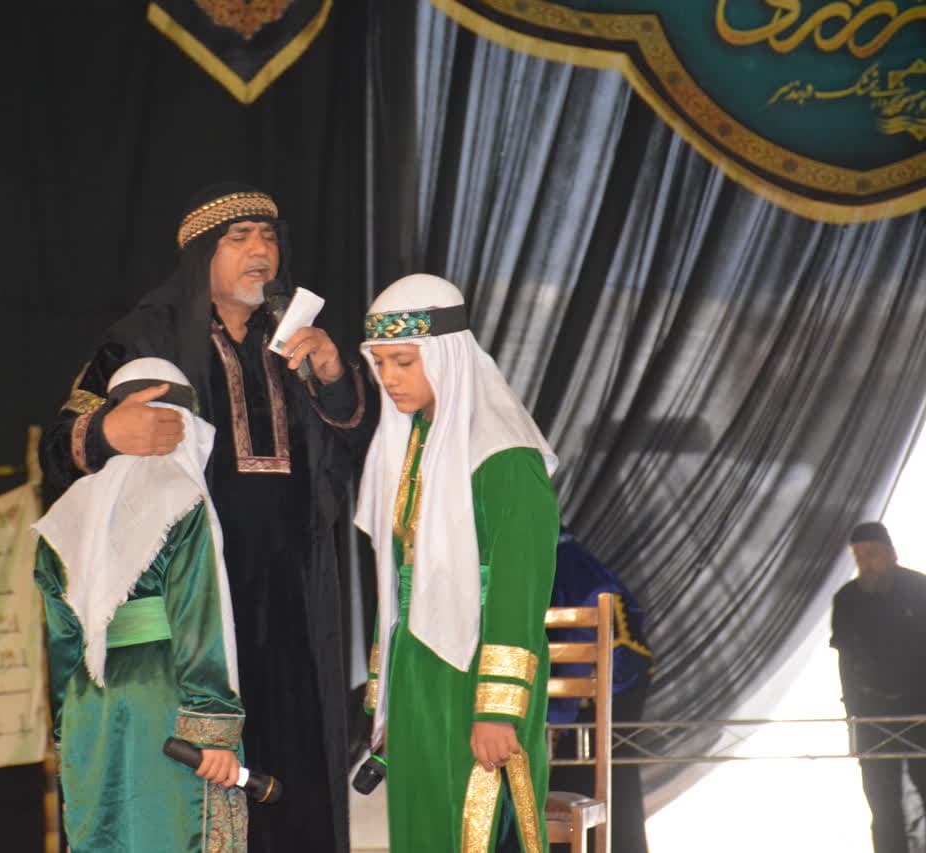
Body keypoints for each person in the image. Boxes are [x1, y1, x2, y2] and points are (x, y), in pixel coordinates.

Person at [39, 183, 375, 853]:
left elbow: (357, 459)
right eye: (239, 238)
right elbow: (59, 446)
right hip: (197, 600)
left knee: (297, 763)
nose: (260, 250)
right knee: (201, 783)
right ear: (201, 256)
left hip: (297, 591)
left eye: (269, 236)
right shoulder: (145, 338)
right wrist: (109, 430)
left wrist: (336, 376)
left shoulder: (296, 338)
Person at [355, 273, 559, 852]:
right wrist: (388, 695)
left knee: (473, 824)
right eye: (380, 364)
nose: (389, 378)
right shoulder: (415, 441)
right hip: (418, 666)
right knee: (423, 826)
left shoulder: (504, 455)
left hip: (477, 667)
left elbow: (519, 587)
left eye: (403, 362)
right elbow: (398, 583)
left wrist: (497, 708)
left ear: (446, 357)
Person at [33, 358, 245, 852]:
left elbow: (63, 641)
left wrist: (68, 733)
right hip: (166, 703)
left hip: (90, 706)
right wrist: (213, 728)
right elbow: (198, 619)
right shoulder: (181, 500)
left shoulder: (63, 517)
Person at [547, 528, 654, 853]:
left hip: (608, 681)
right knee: (606, 784)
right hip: (606, 677)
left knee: (595, 782)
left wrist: (556, 719)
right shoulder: (562, 554)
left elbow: (580, 636)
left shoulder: (565, 564)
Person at [831, 521, 926, 853]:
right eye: (858, 556)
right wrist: (853, 718)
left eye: (871, 553)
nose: (866, 562)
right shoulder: (848, 599)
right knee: (883, 805)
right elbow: (845, 661)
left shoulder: (919, 589)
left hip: (920, 710)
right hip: (872, 715)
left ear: (890, 552)